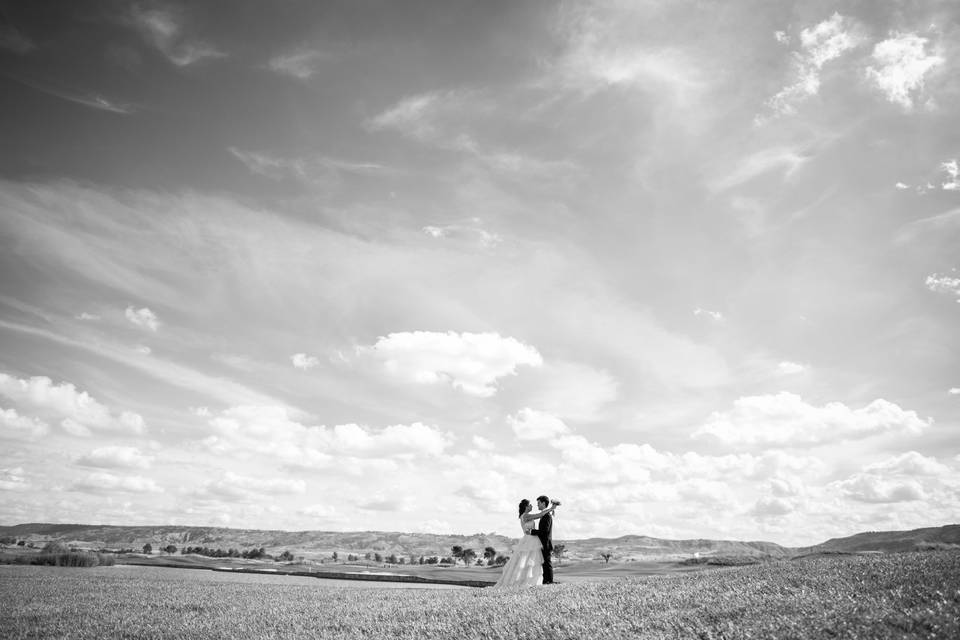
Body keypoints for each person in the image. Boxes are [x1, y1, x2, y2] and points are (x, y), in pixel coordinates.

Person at [492, 498, 558, 588]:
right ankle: (526, 581)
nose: (532, 506)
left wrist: (550, 510)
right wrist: (551, 508)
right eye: (530, 505)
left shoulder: (525, 515)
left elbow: (541, 515)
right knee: (526, 561)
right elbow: (540, 514)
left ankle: (536, 581)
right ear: (526, 507)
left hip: (532, 539)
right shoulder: (526, 516)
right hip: (529, 540)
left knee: (531, 562)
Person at [535, 495, 555, 584]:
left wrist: (532, 531)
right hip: (543, 543)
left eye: (538, 503)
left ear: (543, 503)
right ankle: (546, 581)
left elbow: (544, 531)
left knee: (547, 563)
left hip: (546, 544)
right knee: (545, 564)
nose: (537, 505)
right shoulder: (544, 515)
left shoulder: (547, 516)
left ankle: (549, 581)